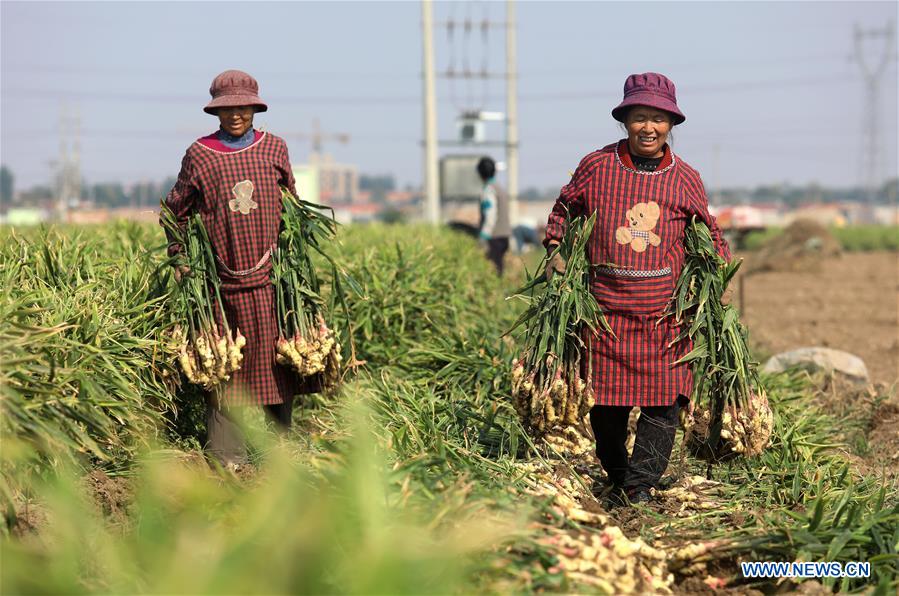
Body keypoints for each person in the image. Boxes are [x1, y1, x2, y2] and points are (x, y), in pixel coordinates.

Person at [542, 73, 732, 507]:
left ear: (671, 125)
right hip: (604, 313)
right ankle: (617, 472)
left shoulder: (685, 177)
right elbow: (565, 207)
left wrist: (717, 276)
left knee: (664, 403)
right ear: (625, 121)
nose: (649, 127)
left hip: (665, 317)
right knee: (606, 406)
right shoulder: (597, 166)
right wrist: (555, 245)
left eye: (658, 119)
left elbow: (707, 230)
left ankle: (639, 485)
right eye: (640, 117)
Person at [162, 69, 315, 469]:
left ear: (254, 107)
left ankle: (276, 457)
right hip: (219, 286)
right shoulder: (200, 155)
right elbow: (173, 212)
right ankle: (228, 460)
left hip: (271, 284)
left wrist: (294, 262)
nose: (235, 115)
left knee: (275, 369)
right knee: (226, 371)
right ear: (216, 112)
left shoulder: (274, 149)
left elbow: (293, 207)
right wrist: (182, 261)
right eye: (227, 108)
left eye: (242, 107)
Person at [476, 156, 511, 275]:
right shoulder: (499, 188)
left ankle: (499, 293)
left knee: (494, 272)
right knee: (499, 269)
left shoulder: (488, 190)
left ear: (480, 173)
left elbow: (490, 215)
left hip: (494, 237)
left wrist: (483, 236)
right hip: (504, 235)